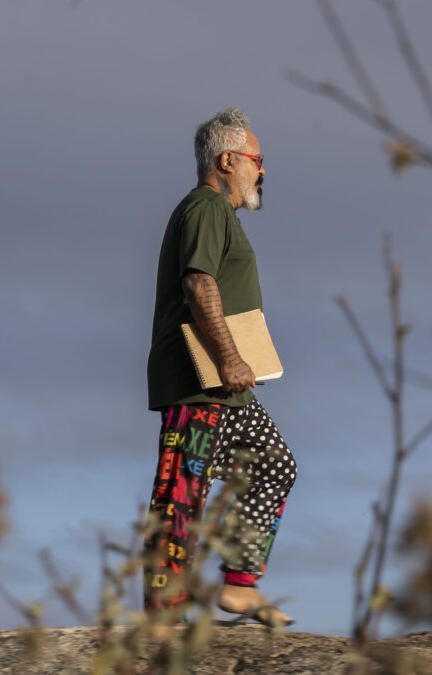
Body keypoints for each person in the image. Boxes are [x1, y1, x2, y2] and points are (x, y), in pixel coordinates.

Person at [142, 107, 296, 628]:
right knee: (183, 491)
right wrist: (229, 356)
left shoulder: (221, 215)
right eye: (258, 159)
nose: (263, 171)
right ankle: (163, 615)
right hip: (200, 383)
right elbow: (198, 283)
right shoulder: (205, 208)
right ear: (228, 160)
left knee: (273, 464)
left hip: (230, 388)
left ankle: (240, 585)